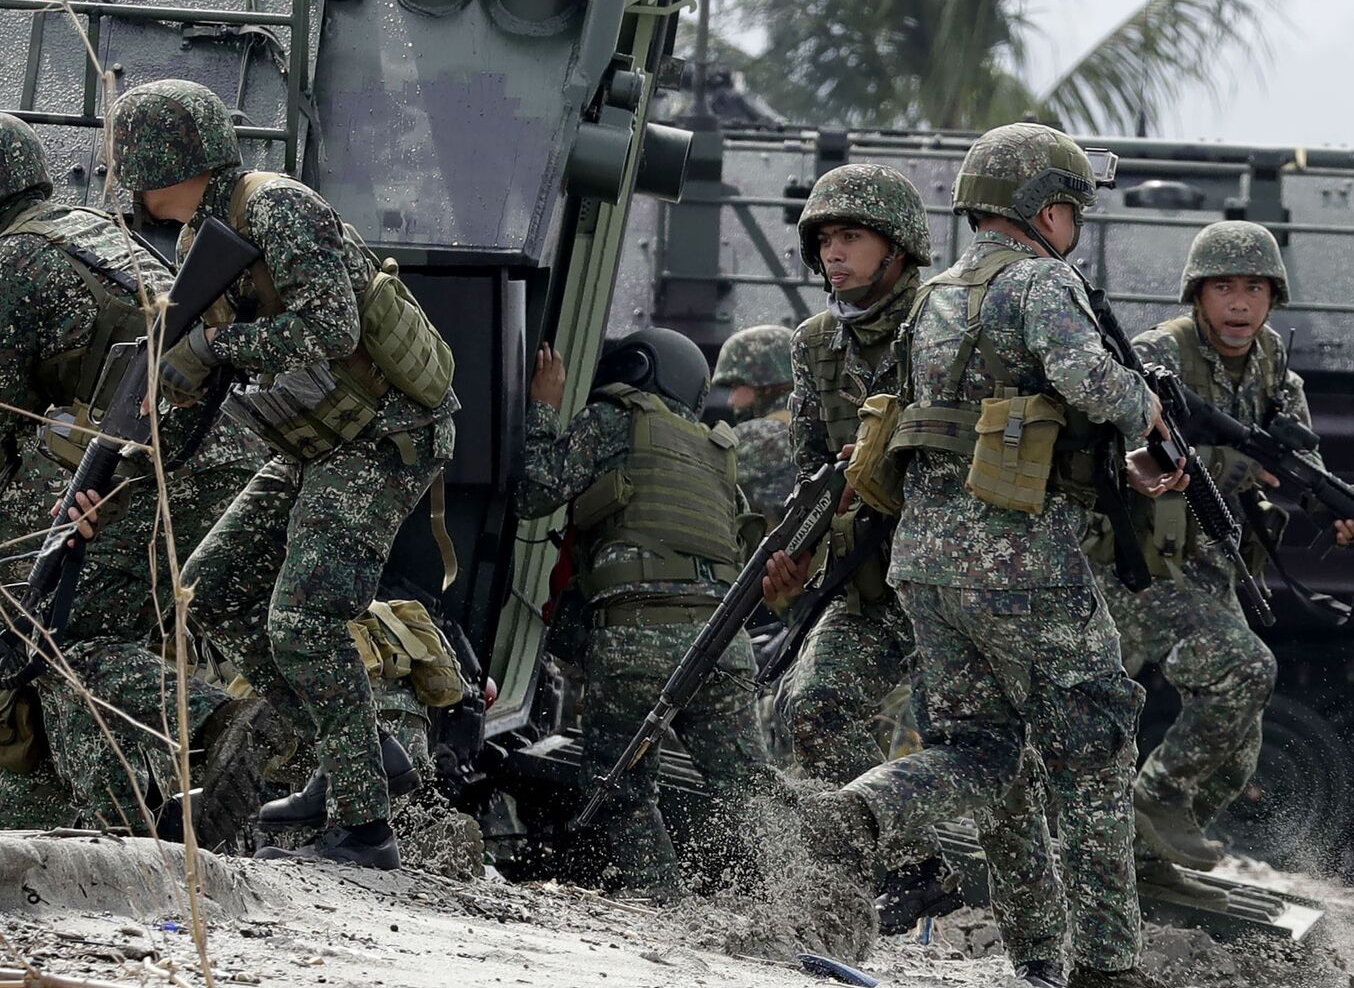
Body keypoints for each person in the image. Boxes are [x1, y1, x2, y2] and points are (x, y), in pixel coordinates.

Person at [802, 124, 1205, 988]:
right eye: (1070, 208)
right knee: (1093, 745)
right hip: (1021, 560)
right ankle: (1107, 961)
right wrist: (1145, 405)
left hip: (927, 559)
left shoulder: (936, 295)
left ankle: (862, 814)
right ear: (1044, 209)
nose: (1073, 225)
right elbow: (1087, 380)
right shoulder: (1040, 281)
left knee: (978, 751)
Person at [101, 77, 458, 872]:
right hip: (318, 439)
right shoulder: (205, 240)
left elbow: (332, 329)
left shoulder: (275, 209)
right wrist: (129, 451)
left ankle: (364, 830)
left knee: (302, 619)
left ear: (162, 164)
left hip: (385, 435)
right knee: (210, 588)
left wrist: (211, 348)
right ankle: (359, 754)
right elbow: (205, 387)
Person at [764, 165, 1065, 962]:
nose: (834, 254)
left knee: (989, 762)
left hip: (955, 574)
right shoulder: (815, 345)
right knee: (813, 705)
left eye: (851, 238)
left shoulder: (945, 317)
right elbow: (812, 471)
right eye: (824, 241)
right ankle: (909, 870)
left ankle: (1042, 944)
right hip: (869, 578)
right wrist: (796, 555)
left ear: (897, 247)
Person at [0, 112, 268, 844]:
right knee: (86, 637)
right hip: (223, 451)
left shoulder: (12, 264)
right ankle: (148, 820)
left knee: (54, 639)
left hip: (163, 459)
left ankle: (212, 724)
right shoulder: (85, 232)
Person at [1095, 219, 1354, 884]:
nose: (1239, 304)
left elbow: (1297, 464)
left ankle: (1141, 857)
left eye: (1254, 288)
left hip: (1207, 567)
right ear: (1198, 293)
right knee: (1245, 669)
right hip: (1137, 563)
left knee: (1239, 754)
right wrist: (1190, 464)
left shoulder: (1271, 362)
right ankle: (1156, 794)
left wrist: (1337, 505)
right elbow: (1111, 449)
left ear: (1273, 296)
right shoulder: (1158, 355)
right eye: (1224, 288)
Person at [513, 329, 780, 898]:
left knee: (621, 790)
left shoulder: (612, 419)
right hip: (723, 644)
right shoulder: (718, 452)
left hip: (637, 639)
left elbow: (533, 493)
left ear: (635, 367)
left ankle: (665, 904)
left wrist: (543, 409)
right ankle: (801, 896)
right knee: (751, 793)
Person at [711, 323, 794, 524]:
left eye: (737, 387)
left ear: (765, 386)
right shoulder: (819, 427)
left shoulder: (754, 437)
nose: (731, 401)